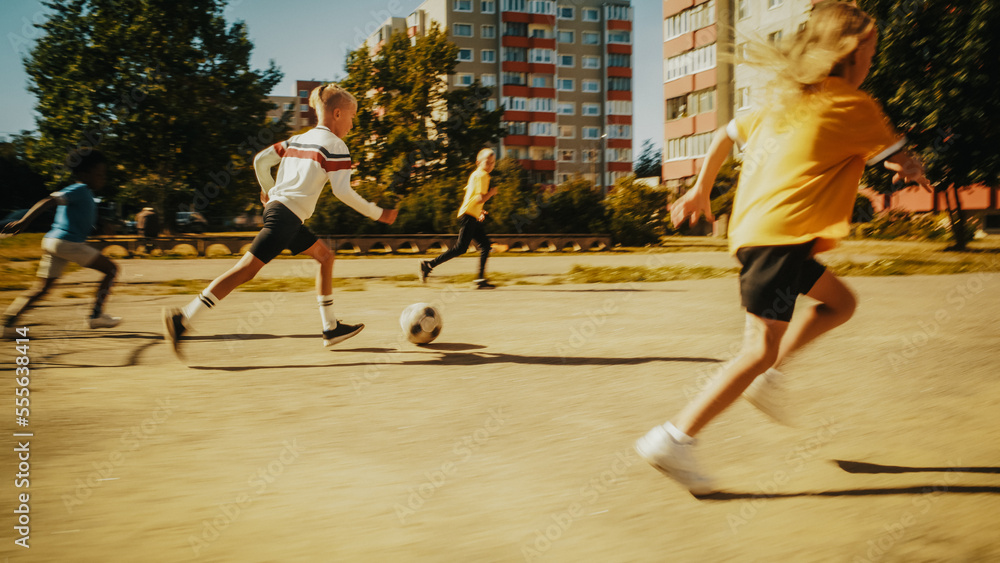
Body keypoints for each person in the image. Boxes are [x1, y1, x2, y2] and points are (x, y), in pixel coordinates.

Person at [635, 1, 933, 495]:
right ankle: (674, 437)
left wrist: (701, 189)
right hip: (781, 238)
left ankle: (766, 378)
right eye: (872, 52)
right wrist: (913, 166)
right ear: (852, 54)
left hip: (763, 236)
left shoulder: (785, 99)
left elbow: (722, 134)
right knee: (757, 348)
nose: (872, 63)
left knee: (840, 303)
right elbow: (898, 160)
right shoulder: (855, 106)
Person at [162, 83, 397, 357]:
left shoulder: (296, 140)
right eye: (352, 117)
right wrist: (378, 213)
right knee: (246, 270)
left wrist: (268, 190)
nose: (353, 124)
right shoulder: (336, 145)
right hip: (286, 217)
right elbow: (343, 191)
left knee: (325, 257)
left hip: (282, 212)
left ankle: (330, 327)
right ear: (336, 114)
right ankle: (184, 318)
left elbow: (261, 160)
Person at [1, 149, 121, 333]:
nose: (103, 178)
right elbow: (48, 201)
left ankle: (8, 322)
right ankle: (96, 316)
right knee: (112, 269)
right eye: (99, 174)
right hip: (67, 243)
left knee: (42, 289)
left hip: (53, 242)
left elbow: (79, 219)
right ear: (84, 174)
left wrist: (101, 226)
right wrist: (24, 221)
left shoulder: (85, 194)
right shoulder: (79, 189)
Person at [419, 148, 497, 289]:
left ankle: (480, 280)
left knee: (485, 245)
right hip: (468, 216)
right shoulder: (482, 175)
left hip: (471, 215)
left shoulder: (476, 174)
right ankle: (428, 265)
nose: (490, 165)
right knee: (460, 248)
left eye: (493, 163)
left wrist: (479, 211)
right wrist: (491, 193)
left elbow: (472, 197)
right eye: (487, 162)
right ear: (478, 162)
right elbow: (479, 198)